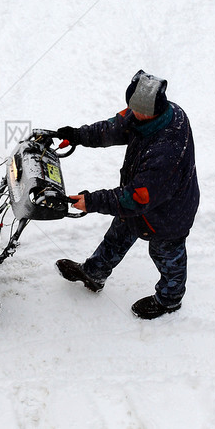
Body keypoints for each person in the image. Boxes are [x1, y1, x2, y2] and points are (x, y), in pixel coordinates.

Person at [55, 70, 199, 319]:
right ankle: (94, 273)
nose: (131, 114)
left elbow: (135, 197)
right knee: (117, 235)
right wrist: (78, 135)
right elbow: (114, 128)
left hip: (169, 212)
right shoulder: (150, 113)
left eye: (136, 110)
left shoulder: (166, 149)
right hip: (143, 200)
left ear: (153, 109)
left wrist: (91, 201)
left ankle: (169, 299)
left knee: (167, 255)